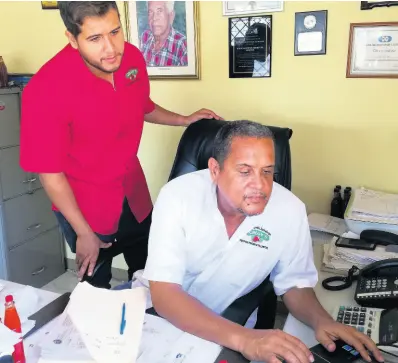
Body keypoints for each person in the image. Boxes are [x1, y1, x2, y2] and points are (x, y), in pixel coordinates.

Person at [140, 120, 384, 363]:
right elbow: (165, 294)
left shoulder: (289, 210)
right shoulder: (178, 196)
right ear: (215, 170)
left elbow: (295, 283)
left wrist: (322, 321)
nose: (260, 185)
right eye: (245, 171)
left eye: (267, 171)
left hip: (230, 324)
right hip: (158, 319)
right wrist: (245, 339)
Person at [19, 1, 221, 289]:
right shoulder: (45, 89)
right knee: (97, 296)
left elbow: (141, 105)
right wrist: (83, 232)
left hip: (133, 194)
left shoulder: (131, 59)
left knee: (153, 280)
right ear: (72, 39)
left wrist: (183, 119)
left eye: (115, 32)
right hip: (87, 208)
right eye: (95, 38)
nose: (111, 48)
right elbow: (49, 172)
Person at [140, 1, 188, 67]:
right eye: (150, 12)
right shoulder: (144, 37)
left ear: (171, 16)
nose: (154, 18)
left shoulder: (183, 46)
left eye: (159, 11)